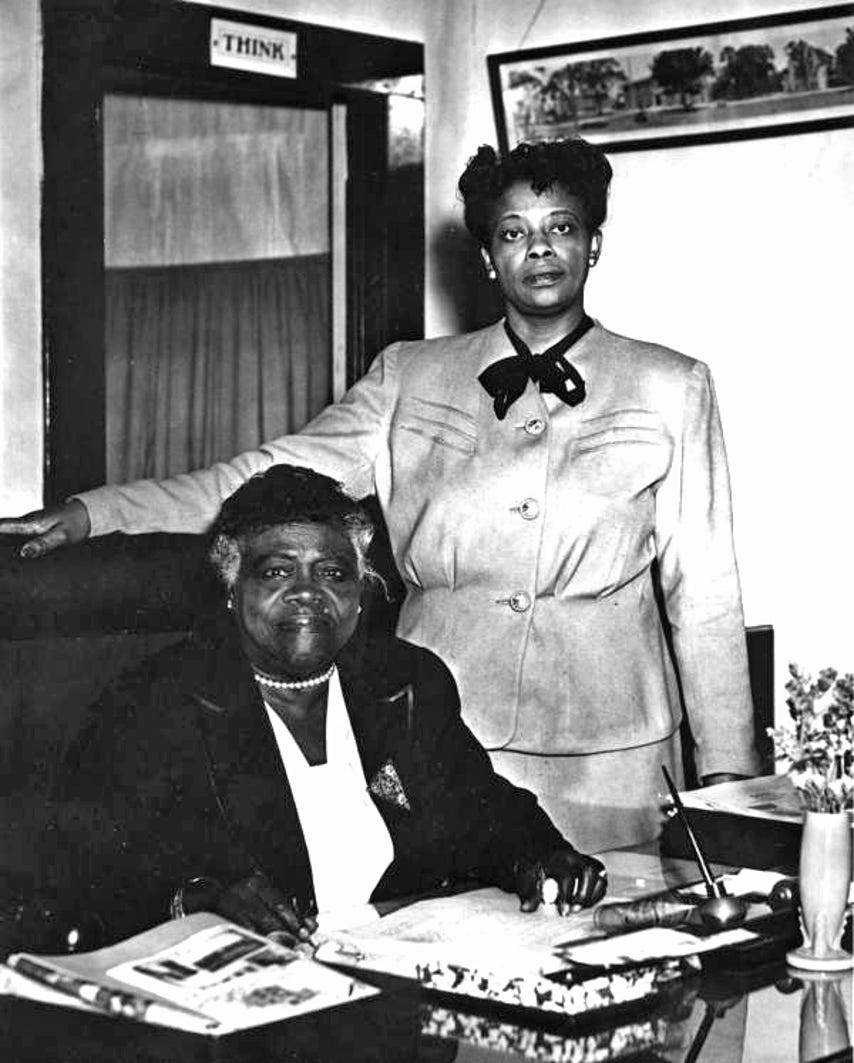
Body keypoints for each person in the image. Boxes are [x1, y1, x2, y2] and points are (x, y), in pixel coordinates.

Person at [1, 138, 759, 851]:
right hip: (440, 735)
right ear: (488, 258)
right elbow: (261, 482)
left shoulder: (671, 384)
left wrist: (730, 784)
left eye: (561, 227)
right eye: (512, 232)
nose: (538, 249)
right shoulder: (410, 376)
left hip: (614, 753)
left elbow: (706, 597)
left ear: (593, 243)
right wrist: (95, 513)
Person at [31, 464, 606, 949]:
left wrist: (541, 854)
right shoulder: (155, 702)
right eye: (277, 571)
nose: (308, 592)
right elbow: (84, 870)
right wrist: (199, 898)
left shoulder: (404, 682)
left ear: (360, 590)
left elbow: (483, 809)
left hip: (394, 993)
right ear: (232, 587)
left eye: (332, 573)